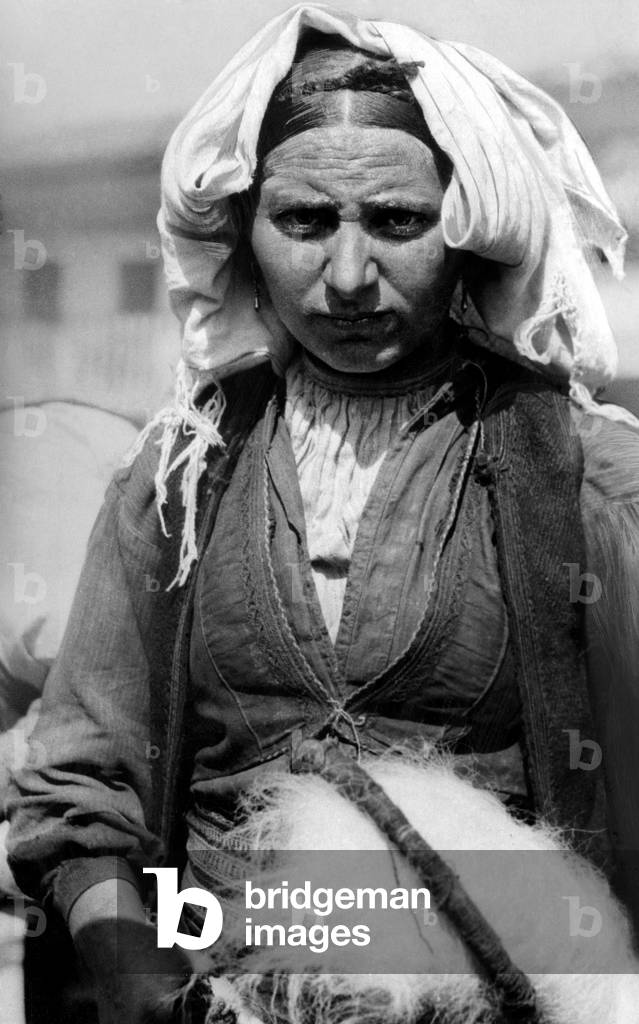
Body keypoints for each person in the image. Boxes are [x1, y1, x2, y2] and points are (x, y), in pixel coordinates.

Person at [6, 5, 639, 1022]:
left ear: (469, 233)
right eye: (305, 222)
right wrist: (146, 984)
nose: (348, 277)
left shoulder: (579, 476)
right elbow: (81, 799)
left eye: (396, 221)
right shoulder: (181, 477)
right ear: (246, 236)